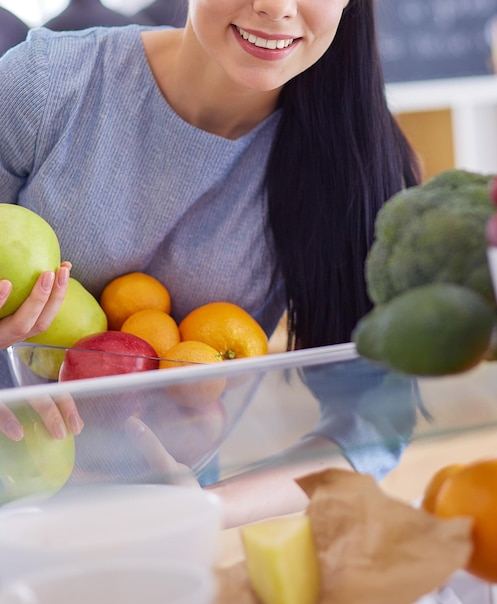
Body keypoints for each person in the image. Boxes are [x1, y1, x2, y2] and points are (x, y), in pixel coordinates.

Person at [0, 0, 420, 526]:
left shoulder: (352, 162)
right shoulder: (44, 85)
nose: (276, 7)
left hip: (167, 531)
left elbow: (373, 423)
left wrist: (209, 507)